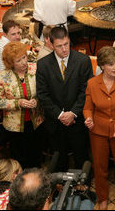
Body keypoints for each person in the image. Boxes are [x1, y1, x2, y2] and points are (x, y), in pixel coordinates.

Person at [84, 46, 115, 210]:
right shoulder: (92, 83)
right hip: (98, 131)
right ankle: (103, 197)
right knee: (100, 167)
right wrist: (88, 119)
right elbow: (87, 108)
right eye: (111, 64)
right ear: (102, 66)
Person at [36, 27, 93, 171]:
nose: (64, 49)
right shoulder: (43, 65)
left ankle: (82, 189)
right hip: (55, 123)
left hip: (77, 120)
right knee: (59, 161)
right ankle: (60, 190)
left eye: (66, 44)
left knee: (81, 158)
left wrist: (72, 113)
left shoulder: (83, 61)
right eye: (59, 46)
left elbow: (86, 91)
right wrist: (61, 115)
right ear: (50, 44)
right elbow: (43, 94)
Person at [0, 42, 44, 169]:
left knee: (36, 156)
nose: (23, 62)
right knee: (19, 158)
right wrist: (18, 103)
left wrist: (37, 101)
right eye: (18, 60)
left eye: (24, 57)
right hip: (14, 127)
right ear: (11, 63)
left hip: (35, 123)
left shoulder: (36, 70)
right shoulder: (3, 77)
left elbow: (45, 91)